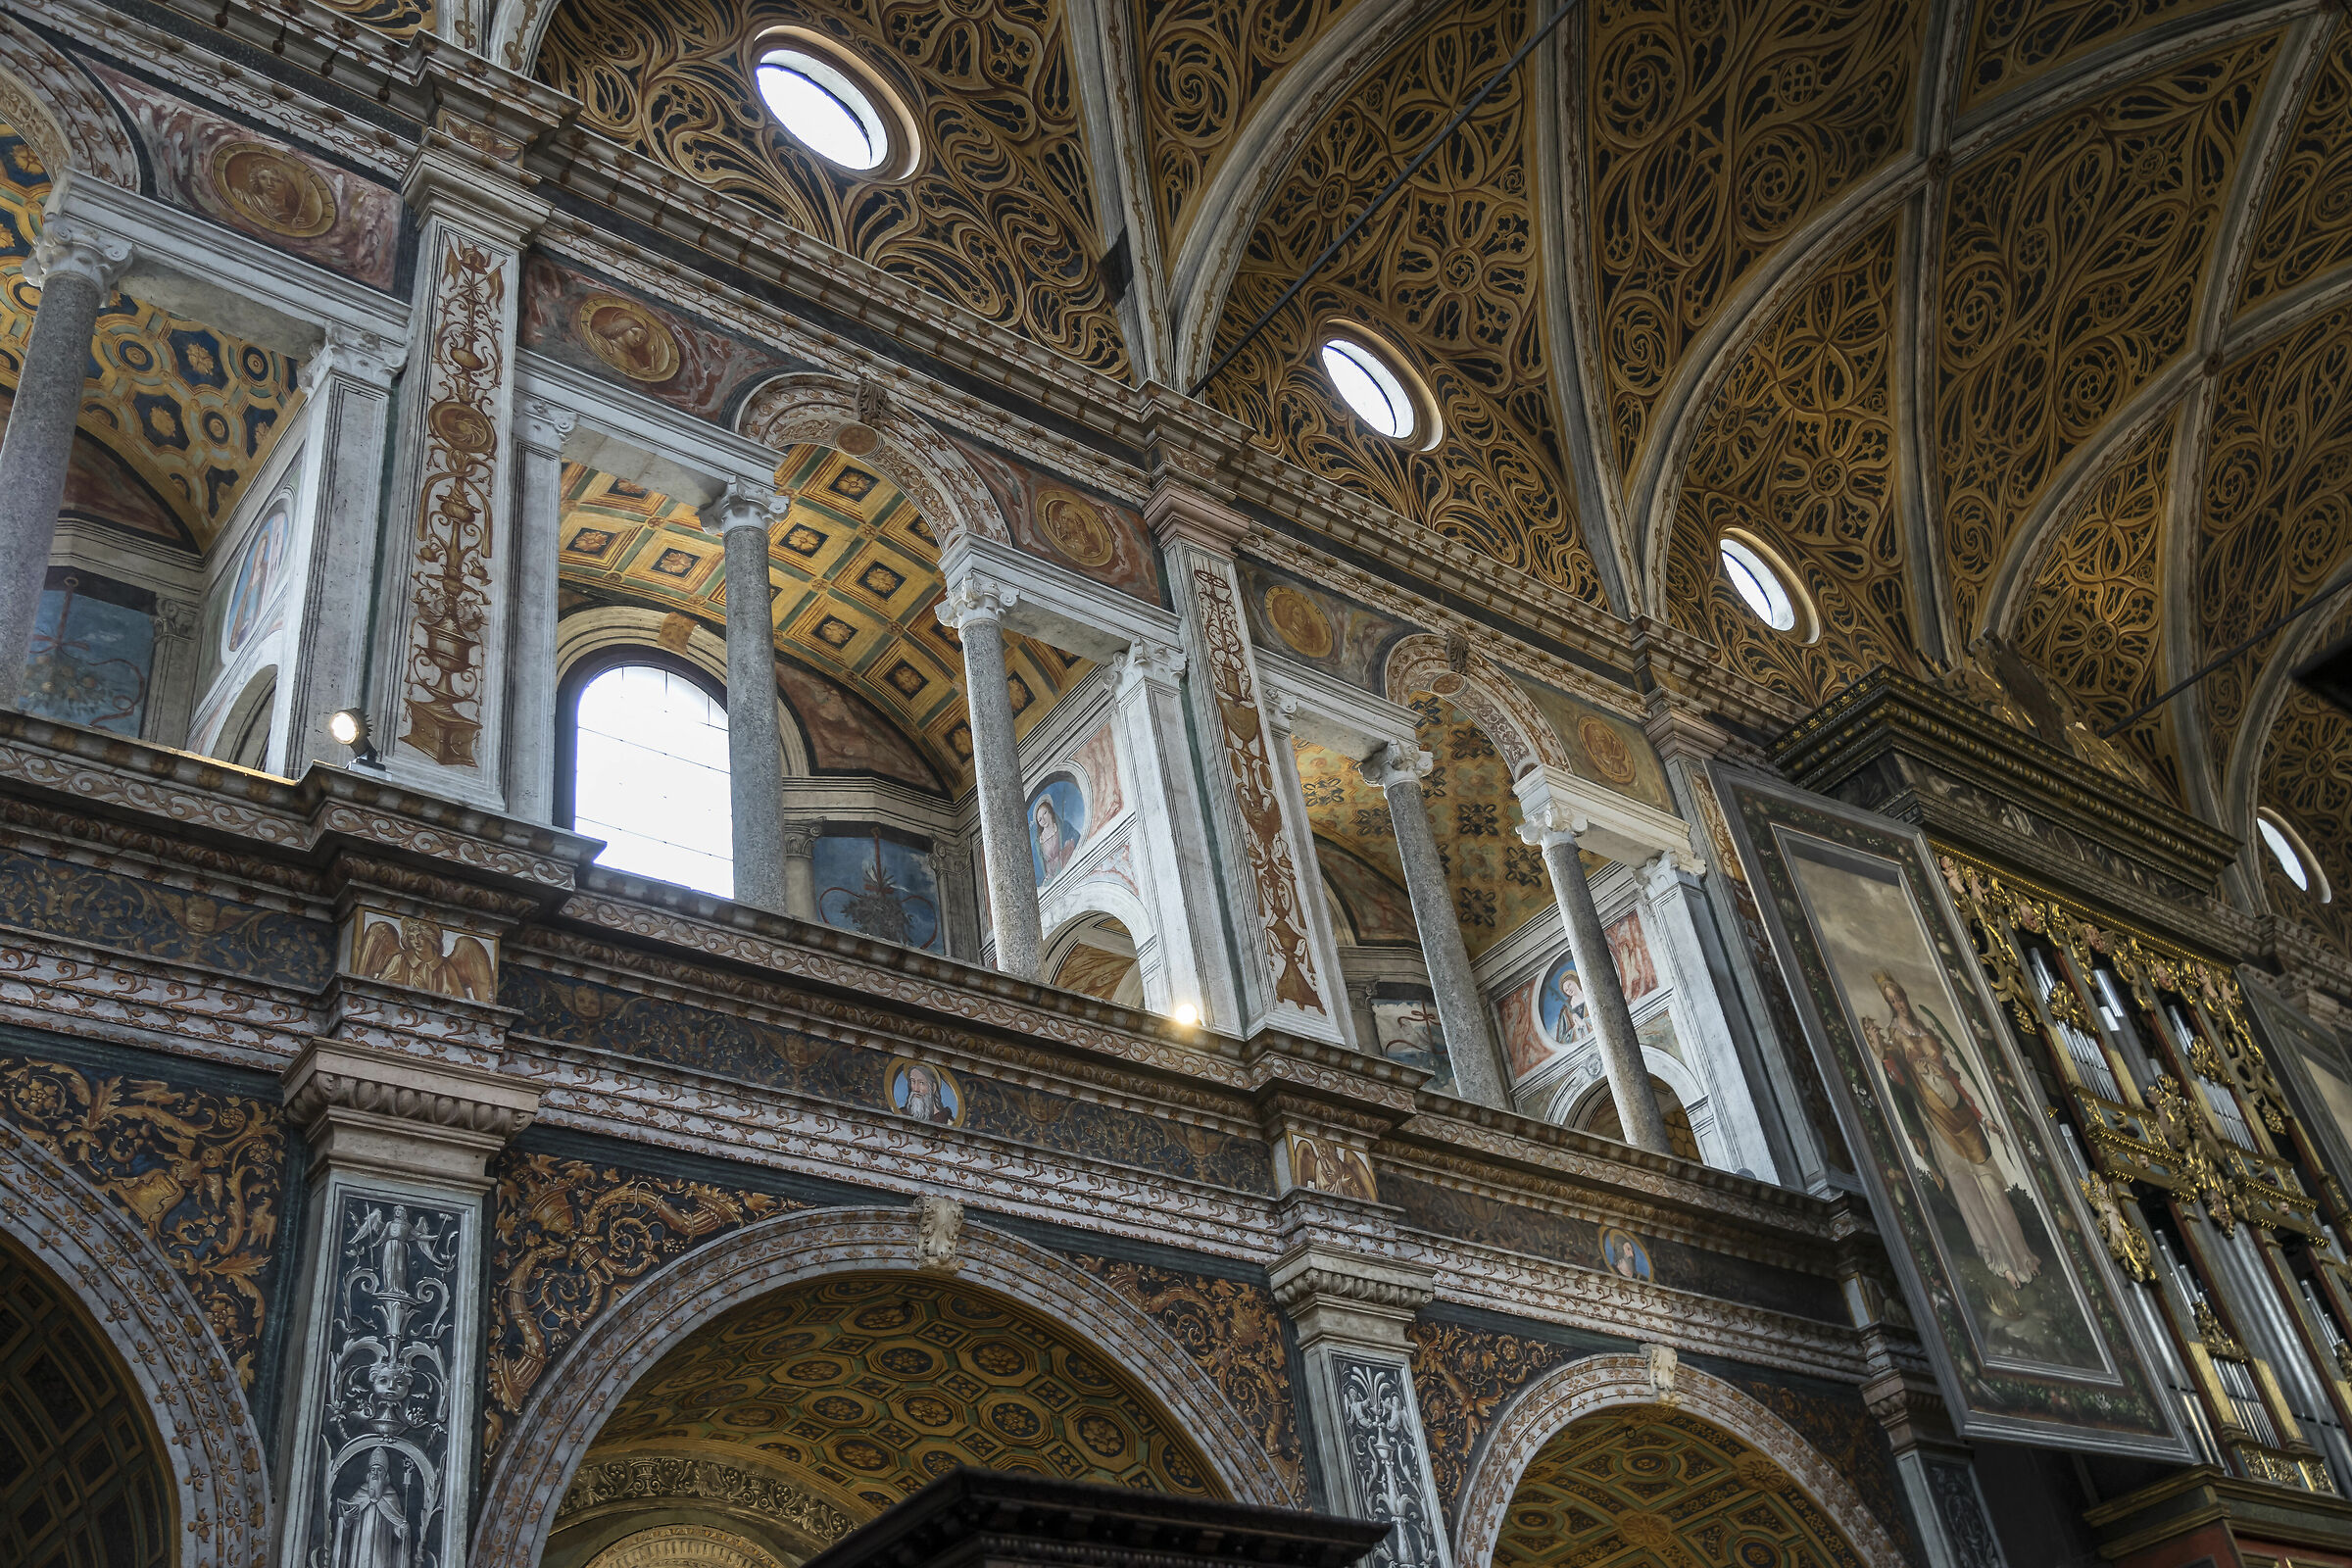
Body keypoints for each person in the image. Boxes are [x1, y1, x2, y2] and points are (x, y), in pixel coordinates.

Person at [1872, 971, 2042, 1289]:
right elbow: (1899, 1080)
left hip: (1962, 1117)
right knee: (1969, 1196)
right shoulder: (1894, 1037)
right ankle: (1998, 1263)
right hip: (1938, 1123)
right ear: (1889, 1004)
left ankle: (2022, 1256)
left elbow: (1952, 1077)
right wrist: (1884, 1058)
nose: (1898, 1003)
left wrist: (1982, 1116)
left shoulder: (1926, 1029)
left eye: (1900, 997)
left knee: (1993, 1189)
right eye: (1892, 1000)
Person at [331, 1447, 407, 1568]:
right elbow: (346, 1522)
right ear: (368, 1473)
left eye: (379, 1470)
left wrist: (402, 1530)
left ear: (386, 1475)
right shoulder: (361, 1492)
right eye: (373, 1470)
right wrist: (346, 1519)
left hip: (382, 1545)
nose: (375, 1474)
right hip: (360, 1544)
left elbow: (396, 1524)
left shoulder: (391, 1495)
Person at [1032, 793, 1078, 882]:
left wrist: (1069, 845)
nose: (1043, 820)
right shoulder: (1039, 842)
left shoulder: (1064, 827)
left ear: (1050, 811)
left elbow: (1076, 837)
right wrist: (1045, 877)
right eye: (1040, 819)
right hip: (1052, 879)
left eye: (1044, 813)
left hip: (1067, 868)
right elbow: (1038, 869)